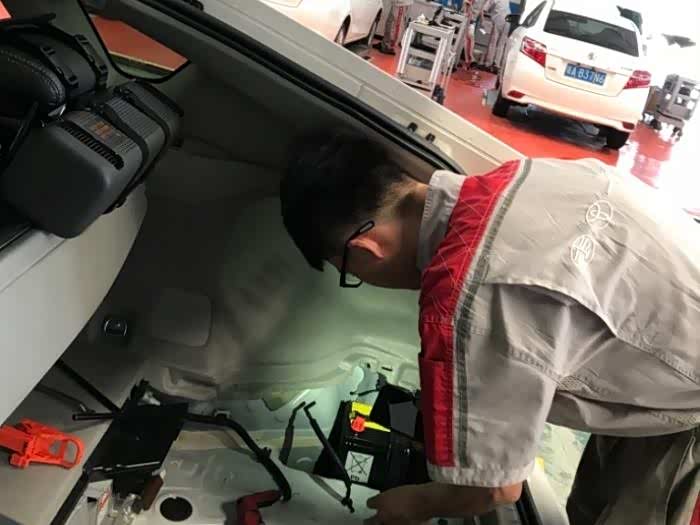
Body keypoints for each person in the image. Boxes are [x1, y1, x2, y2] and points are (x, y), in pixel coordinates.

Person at [279, 131, 700, 525]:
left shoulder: (465, 300)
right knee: (592, 505)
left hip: (686, 390)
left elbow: (495, 488)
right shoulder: (523, 175)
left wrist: (409, 505)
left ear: (365, 250)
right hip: (653, 352)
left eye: (349, 273)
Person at [481, 0, 510, 71]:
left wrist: (483, 20)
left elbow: (484, 9)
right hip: (509, 20)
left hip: (498, 19)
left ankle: (488, 64)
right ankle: (496, 64)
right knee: (501, 44)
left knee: (493, 42)